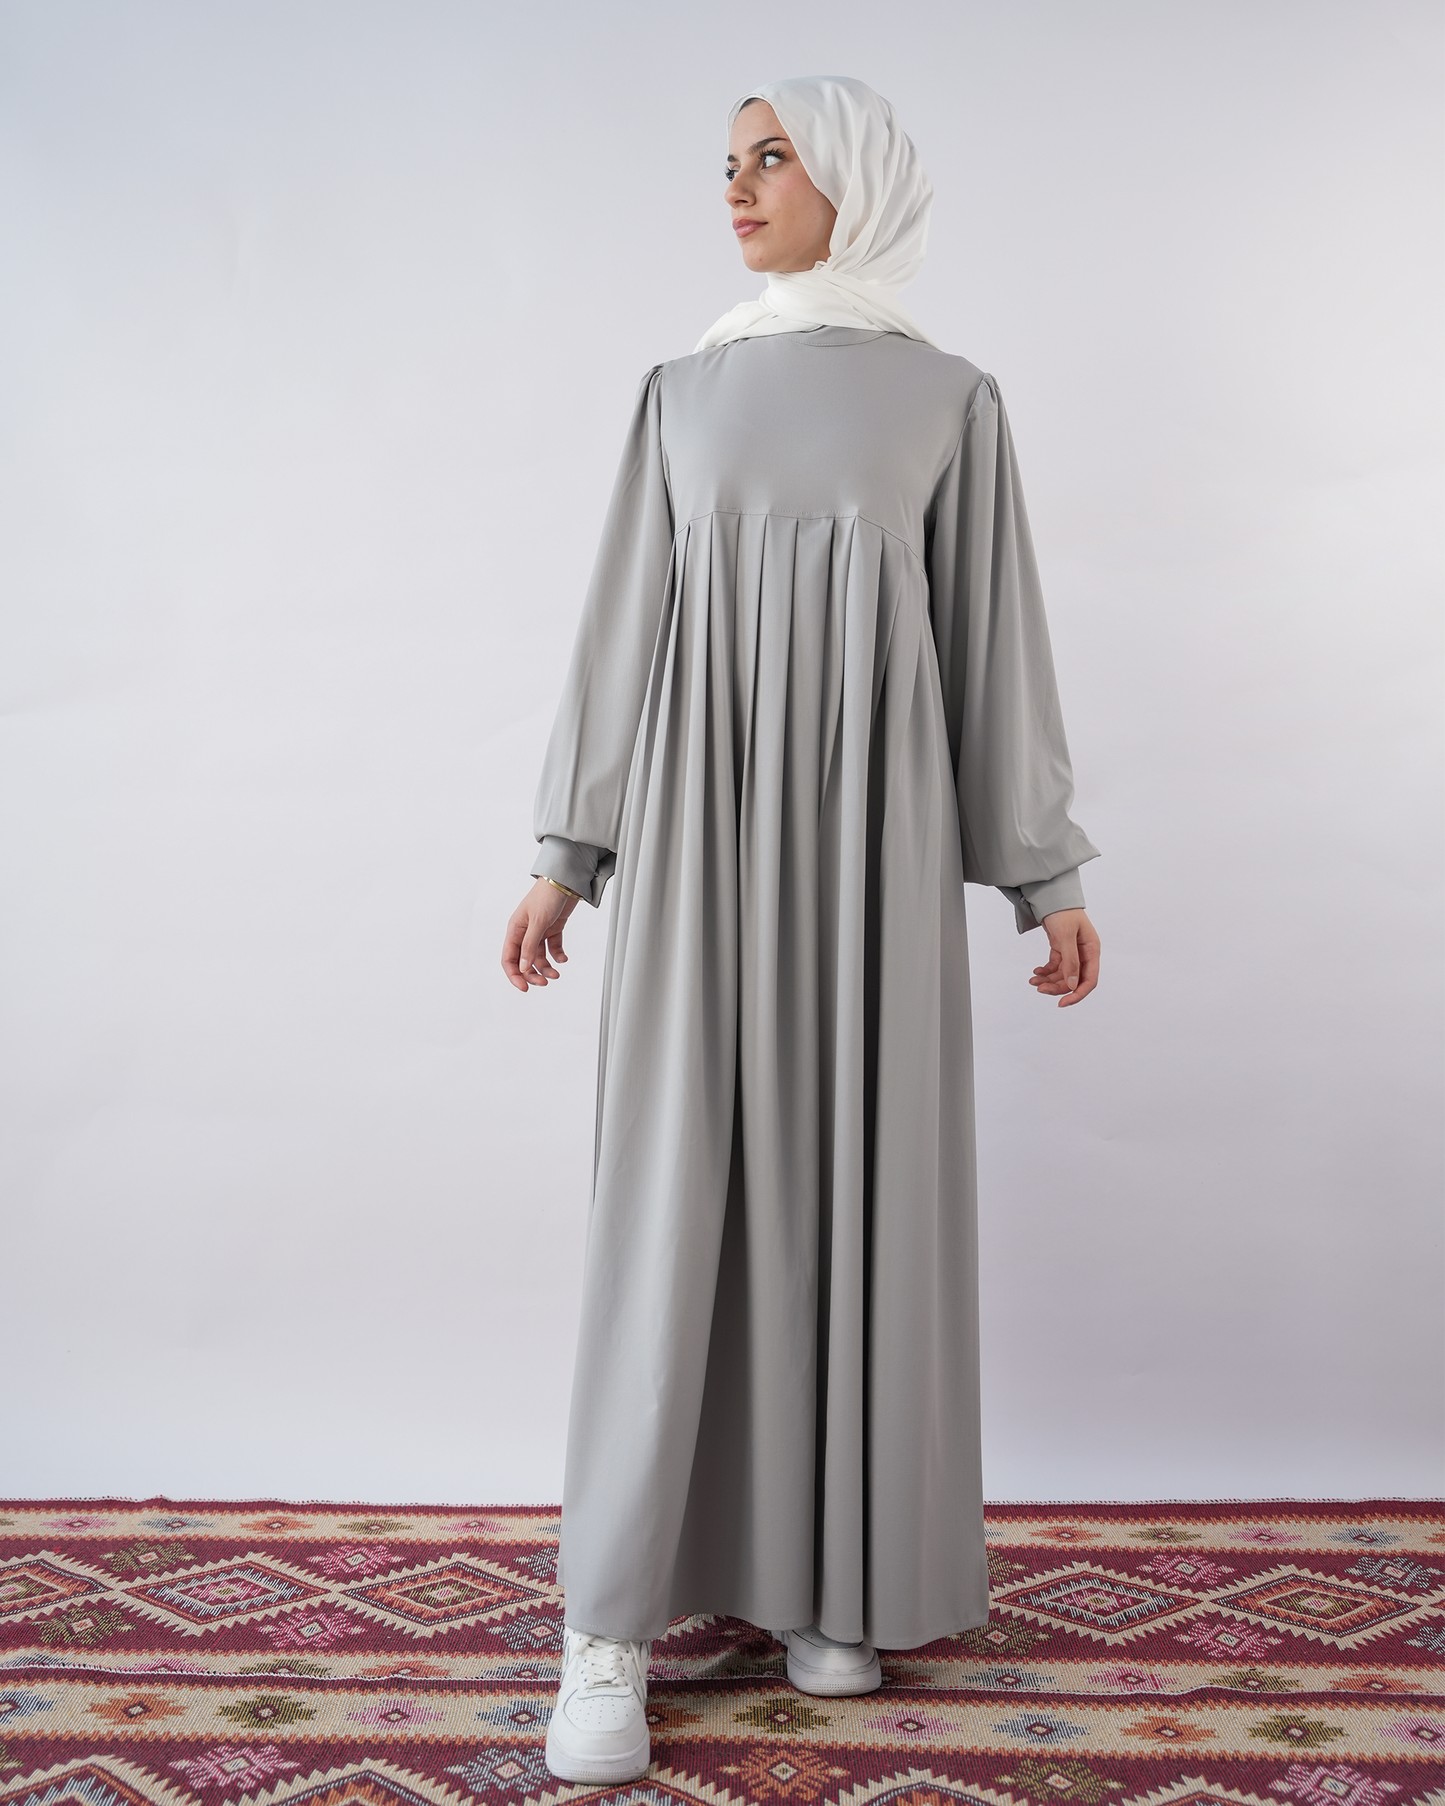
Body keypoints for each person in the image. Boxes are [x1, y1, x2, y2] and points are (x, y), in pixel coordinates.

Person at [501, 76, 1101, 1786]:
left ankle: (829, 1582)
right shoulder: (680, 393)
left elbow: (994, 643)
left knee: (853, 1196)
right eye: (729, 162)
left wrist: (1043, 871)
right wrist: (567, 850)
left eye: (773, 157)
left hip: (875, 861)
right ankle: (609, 1623)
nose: (739, 186)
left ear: (856, 181)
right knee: (673, 1195)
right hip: (699, 847)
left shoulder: (951, 400)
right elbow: (621, 630)